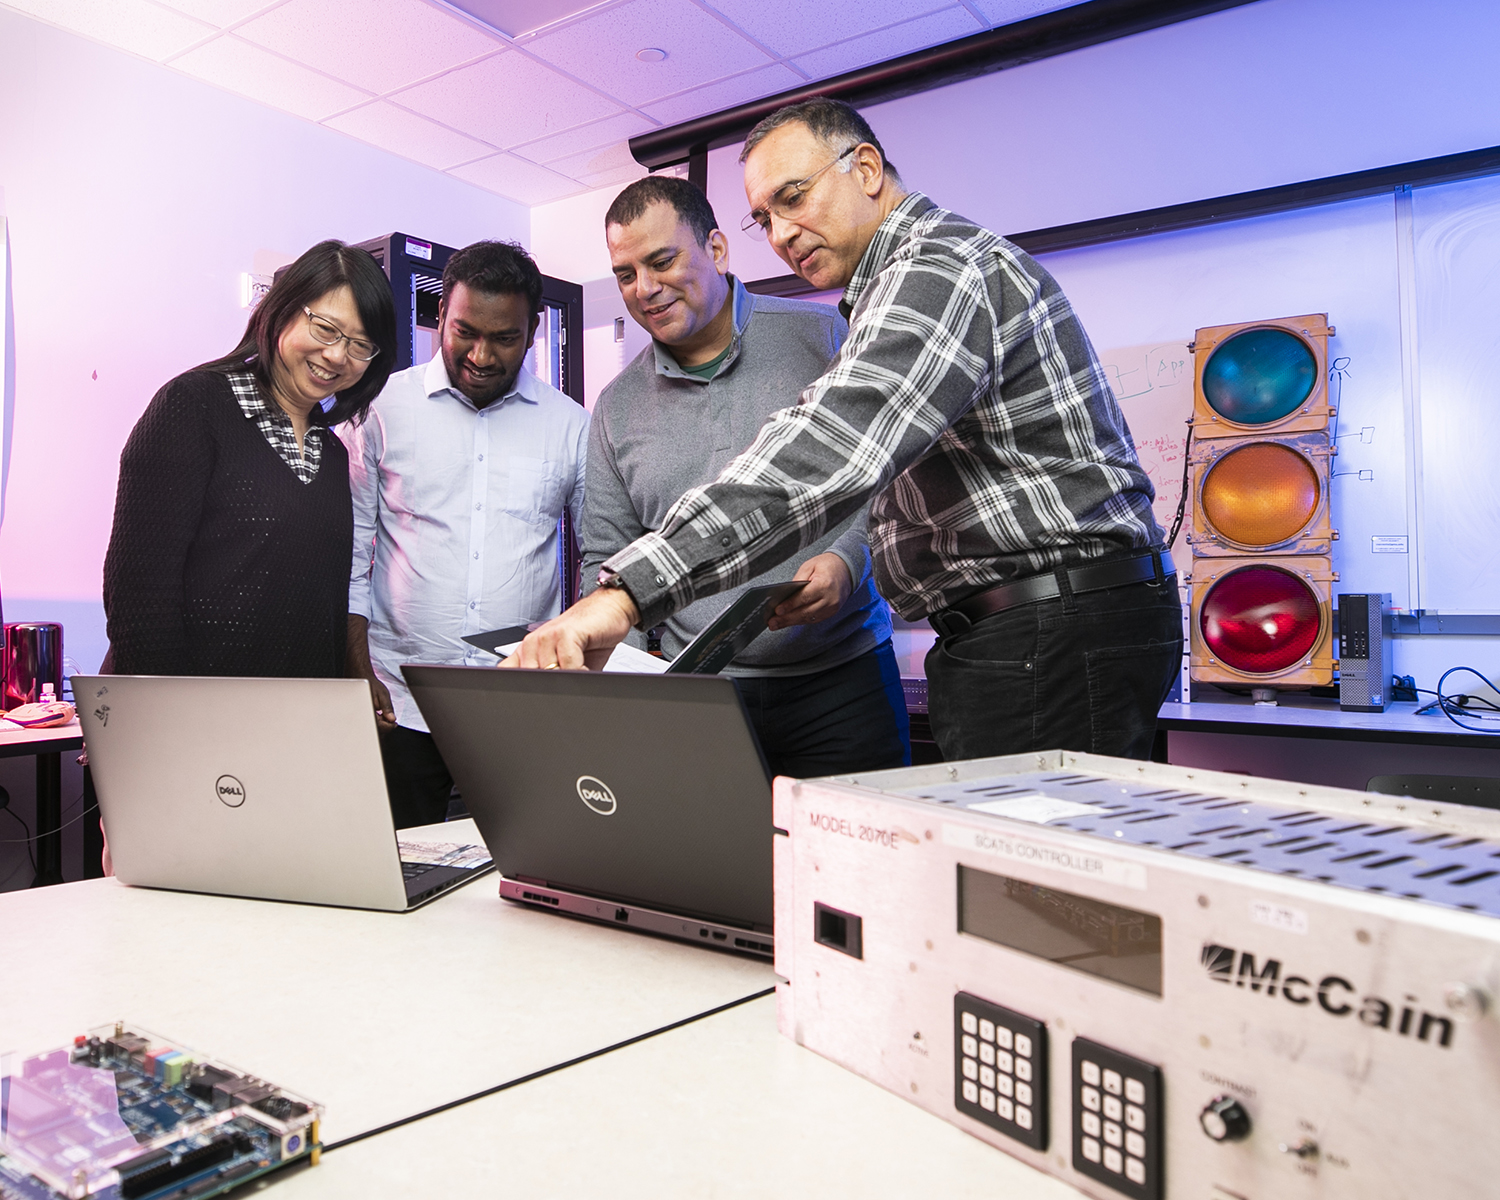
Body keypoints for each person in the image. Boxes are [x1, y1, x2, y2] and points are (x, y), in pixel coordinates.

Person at [505, 99, 1181, 763]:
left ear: (864, 169)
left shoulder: (938, 270)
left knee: (1017, 871)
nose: (781, 233)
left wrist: (628, 593)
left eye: (794, 197)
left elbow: (829, 451)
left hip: (1044, 629)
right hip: (1020, 631)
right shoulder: (895, 285)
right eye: (765, 217)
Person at [585, 175, 908, 778]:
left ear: (716, 249)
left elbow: (891, 481)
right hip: (699, 699)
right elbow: (604, 552)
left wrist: (848, 559)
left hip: (844, 685)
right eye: (626, 275)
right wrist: (631, 684)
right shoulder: (614, 407)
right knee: (711, 871)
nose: (646, 289)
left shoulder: (826, 335)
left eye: (661, 261)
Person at [345, 240, 589, 828]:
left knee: (522, 872)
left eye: (504, 338)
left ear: (531, 332)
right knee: (396, 875)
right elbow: (353, 553)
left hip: (520, 706)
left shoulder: (570, 425)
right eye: (464, 332)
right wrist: (358, 674)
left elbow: (597, 554)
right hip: (398, 700)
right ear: (440, 320)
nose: (480, 354)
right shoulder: (381, 407)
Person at [103, 240, 397, 679]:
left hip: (295, 723)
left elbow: (322, 609)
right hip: (195, 719)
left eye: (360, 345)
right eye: (326, 329)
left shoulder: (332, 452)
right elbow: (140, 591)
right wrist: (174, 715)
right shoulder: (195, 406)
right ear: (282, 311)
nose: (337, 355)